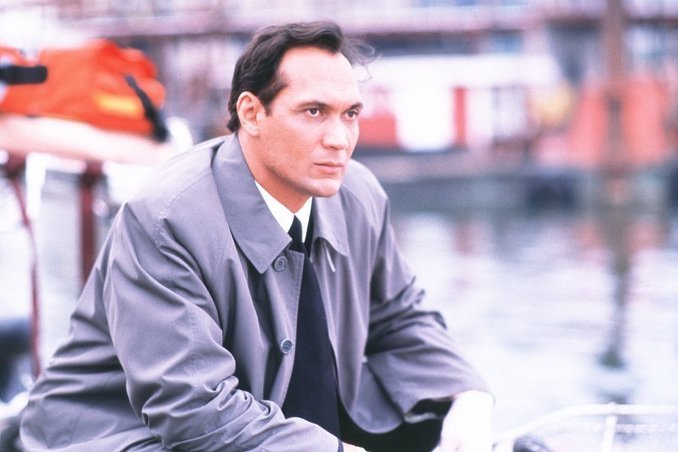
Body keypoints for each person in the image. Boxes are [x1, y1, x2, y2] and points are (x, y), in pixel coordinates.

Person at [20, 21, 493, 451]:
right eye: (313, 111)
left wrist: (466, 397)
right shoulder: (166, 220)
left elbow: (399, 316)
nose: (339, 139)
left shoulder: (359, 195)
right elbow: (192, 408)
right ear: (251, 112)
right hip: (120, 434)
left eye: (350, 114)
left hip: (278, 426)